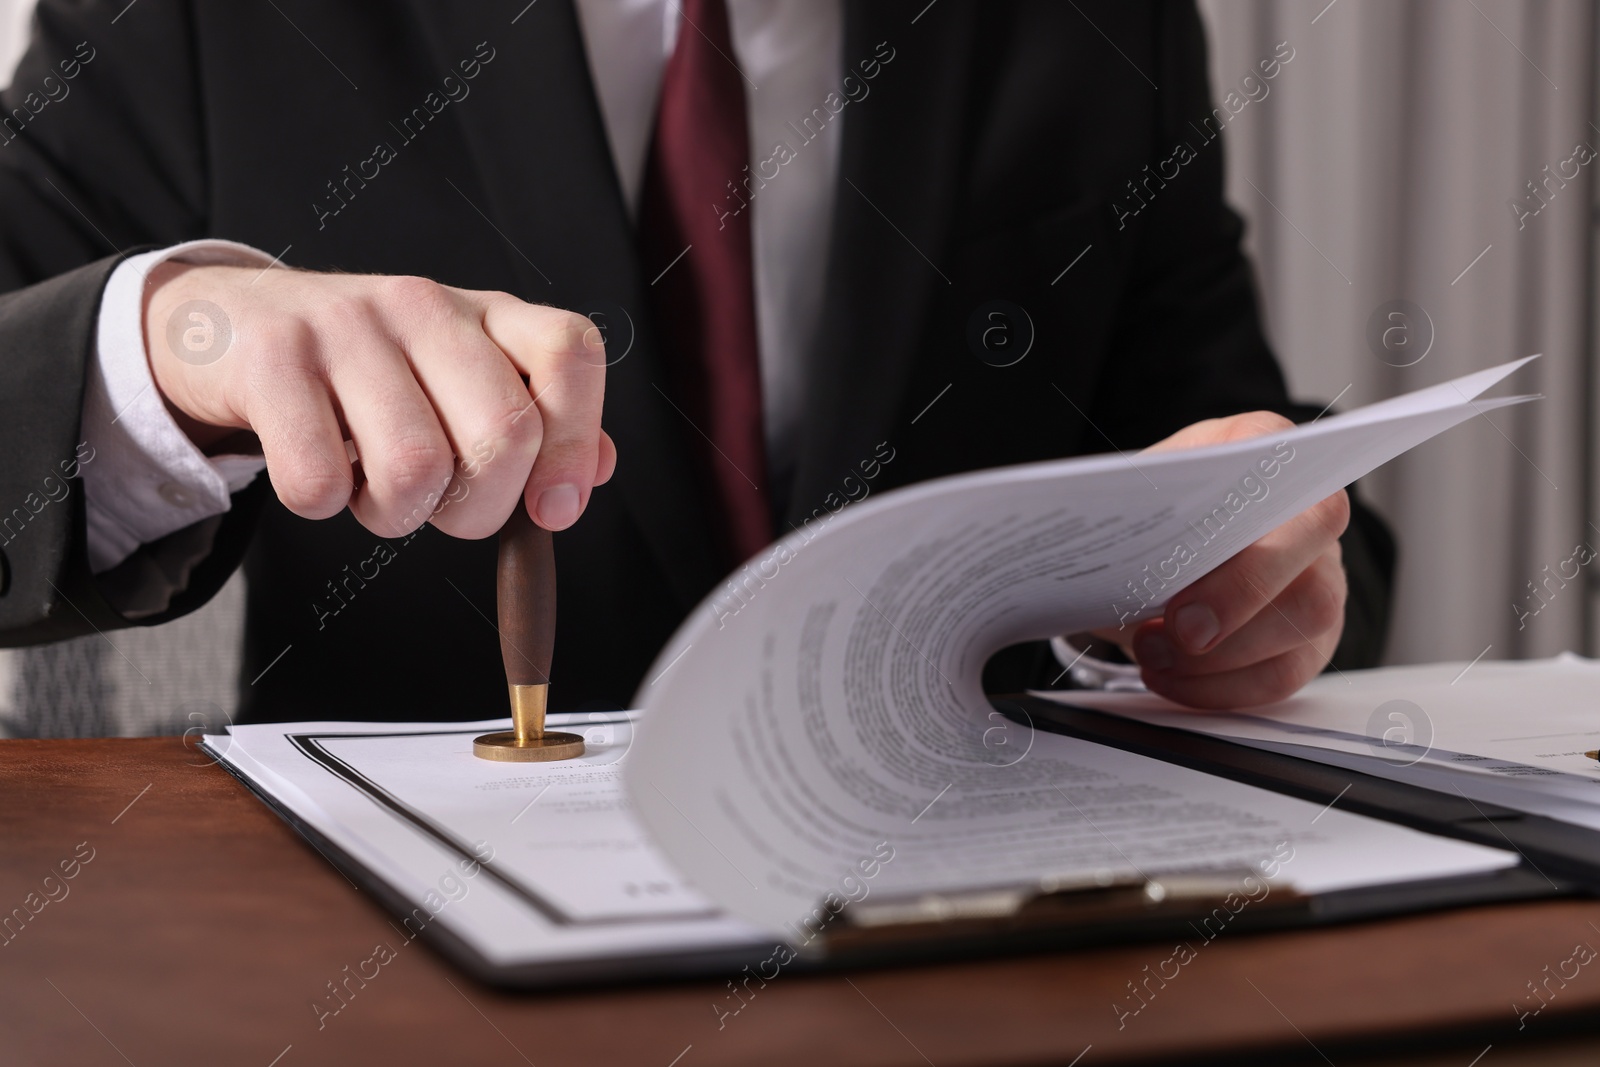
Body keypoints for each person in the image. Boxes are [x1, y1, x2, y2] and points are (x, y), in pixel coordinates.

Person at [0, 0, 1392, 723]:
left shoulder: (1093, 25)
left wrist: (1246, 581)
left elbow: (1235, 453)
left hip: (981, 936)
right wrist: (169, 342)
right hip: (405, 977)